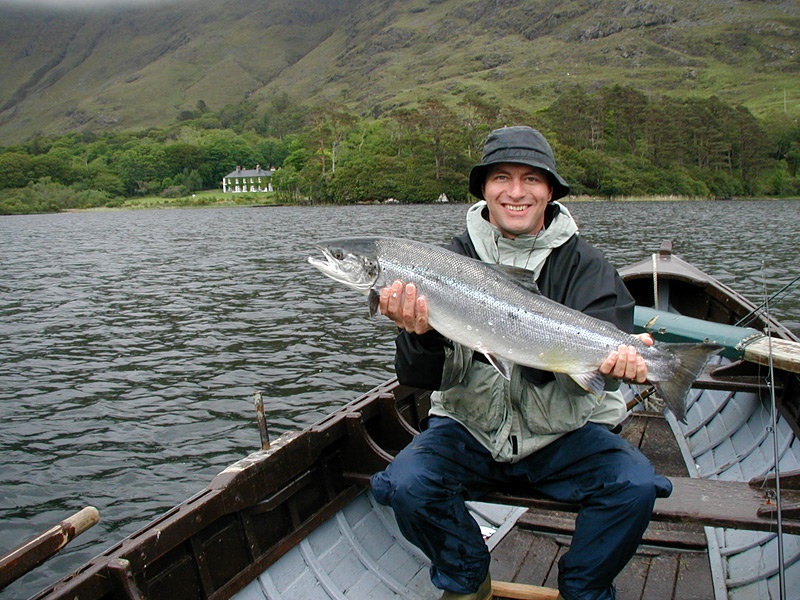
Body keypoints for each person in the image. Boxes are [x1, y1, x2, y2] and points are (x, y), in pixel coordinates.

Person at [369, 126, 673, 600]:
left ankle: (584, 590)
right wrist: (420, 334)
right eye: (501, 178)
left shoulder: (588, 267)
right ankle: (467, 577)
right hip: (469, 427)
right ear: (484, 189)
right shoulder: (445, 261)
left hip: (562, 434)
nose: (516, 192)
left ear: (550, 191)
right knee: (405, 484)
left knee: (634, 487)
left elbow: (598, 384)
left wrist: (623, 368)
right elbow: (419, 378)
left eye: (531, 179)